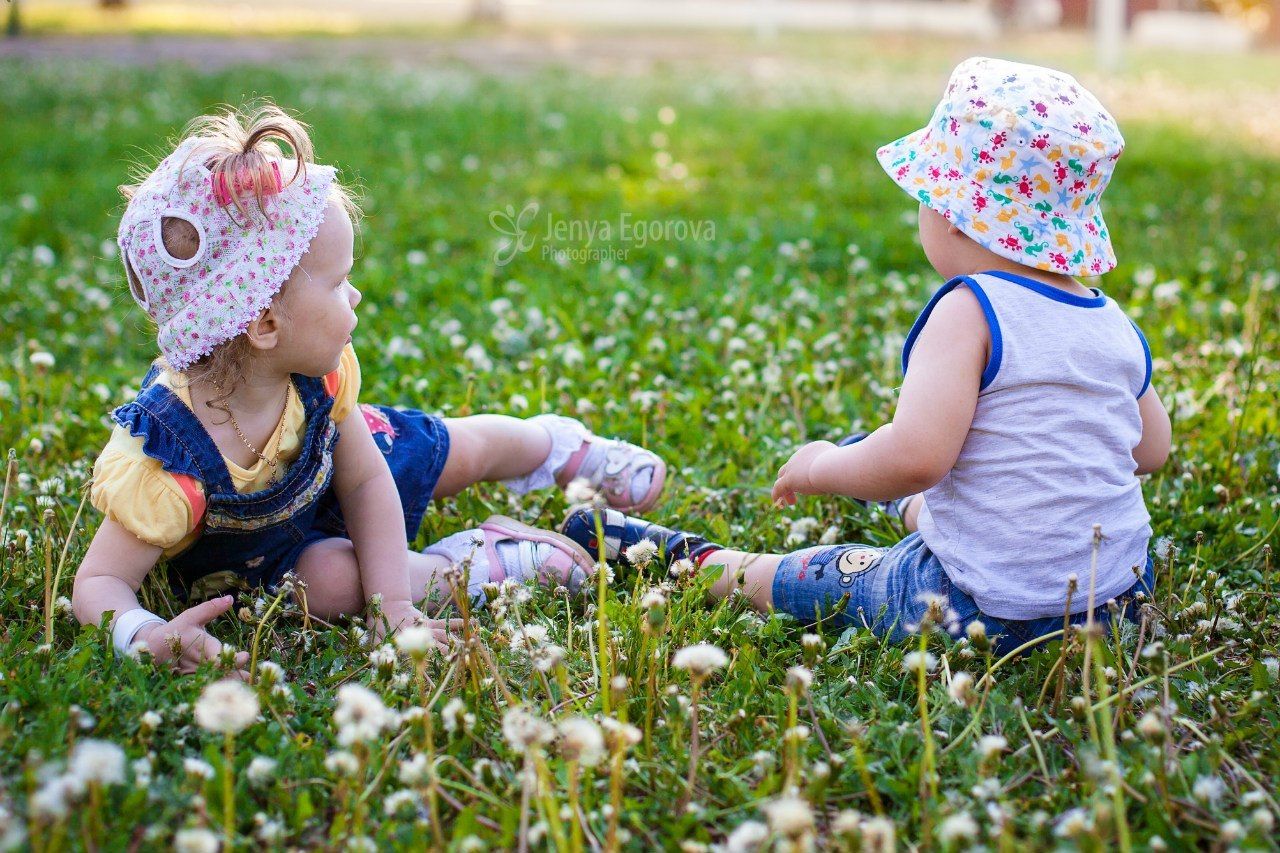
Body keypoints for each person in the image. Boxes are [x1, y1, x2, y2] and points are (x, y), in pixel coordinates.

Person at [561, 57, 1171, 656]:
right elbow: (1151, 450)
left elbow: (917, 458)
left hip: (979, 611)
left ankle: (700, 561)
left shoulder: (970, 310)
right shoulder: (1110, 321)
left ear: (955, 217)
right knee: (930, 484)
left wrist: (820, 469)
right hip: (1115, 605)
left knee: (835, 575)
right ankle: (892, 493)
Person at [71, 103, 666, 677]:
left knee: (452, 450)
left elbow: (362, 479)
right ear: (265, 324)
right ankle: (475, 563)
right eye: (339, 282)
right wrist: (142, 634)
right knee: (334, 587)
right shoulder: (167, 462)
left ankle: (549, 447)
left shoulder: (320, 378)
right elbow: (100, 582)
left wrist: (393, 605)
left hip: (344, 465)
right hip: (269, 558)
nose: (354, 297)